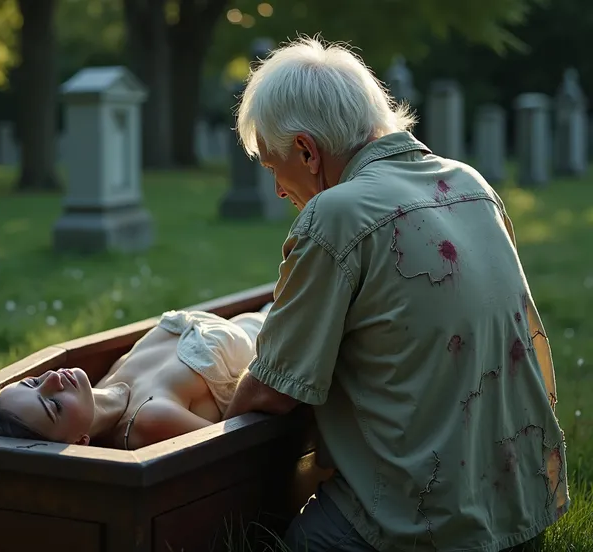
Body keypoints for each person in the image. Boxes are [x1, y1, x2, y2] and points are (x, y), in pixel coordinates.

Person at [223, 36, 568, 552]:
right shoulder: (472, 185)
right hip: (521, 510)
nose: (276, 189)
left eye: (274, 167)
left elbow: (273, 391)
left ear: (306, 151)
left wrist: (215, 422)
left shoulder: (335, 215)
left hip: (424, 525)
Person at [0, 306, 270, 450]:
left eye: (33, 382)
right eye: (53, 405)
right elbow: (244, 447)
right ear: (80, 442)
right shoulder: (148, 420)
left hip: (270, 310)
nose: (53, 379)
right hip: (292, 334)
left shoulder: (104, 384)